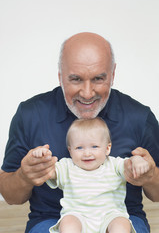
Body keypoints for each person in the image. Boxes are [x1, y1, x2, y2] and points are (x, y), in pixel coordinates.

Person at [0, 32, 158, 233]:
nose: (87, 93)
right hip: (53, 219)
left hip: (120, 216)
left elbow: (157, 194)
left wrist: (150, 175)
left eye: (98, 78)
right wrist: (24, 176)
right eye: (75, 79)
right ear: (60, 76)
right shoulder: (30, 115)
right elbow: (11, 197)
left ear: (113, 74)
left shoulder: (140, 117)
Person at [32, 117, 149, 233]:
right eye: (79, 148)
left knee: (121, 223)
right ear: (70, 150)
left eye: (94, 146)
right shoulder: (67, 167)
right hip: (78, 216)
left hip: (110, 216)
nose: (87, 153)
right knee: (68, 222)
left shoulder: (114, 165)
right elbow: (48, 171)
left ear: (107, 148)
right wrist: (42, 157)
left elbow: (129, 164)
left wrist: (137, 160)